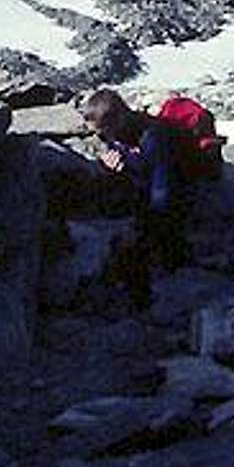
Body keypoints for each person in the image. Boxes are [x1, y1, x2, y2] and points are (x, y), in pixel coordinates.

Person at [80, 88, 187, 308]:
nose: (102, 137)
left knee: (145, 242)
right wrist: (114, 167)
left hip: (175, 191)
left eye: (104, 131)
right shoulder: (118, 134)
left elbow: (162, 187)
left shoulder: (153, 136)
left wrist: (148, 226)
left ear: (119, 118)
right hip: (146, 186)